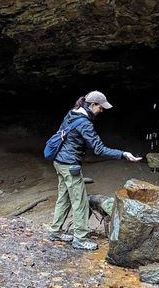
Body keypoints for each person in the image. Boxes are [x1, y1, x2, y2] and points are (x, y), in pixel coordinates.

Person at [49, 90, 142, 250]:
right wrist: (123, 154)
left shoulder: (72, 113)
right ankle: (80, 238)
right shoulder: (85, 123)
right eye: (100, 107)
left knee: (63, 197)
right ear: (92, 105)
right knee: (81, 202)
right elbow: (99, 149)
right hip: (70, 165)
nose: (102, 111)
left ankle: (56, 232)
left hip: (59, 162)